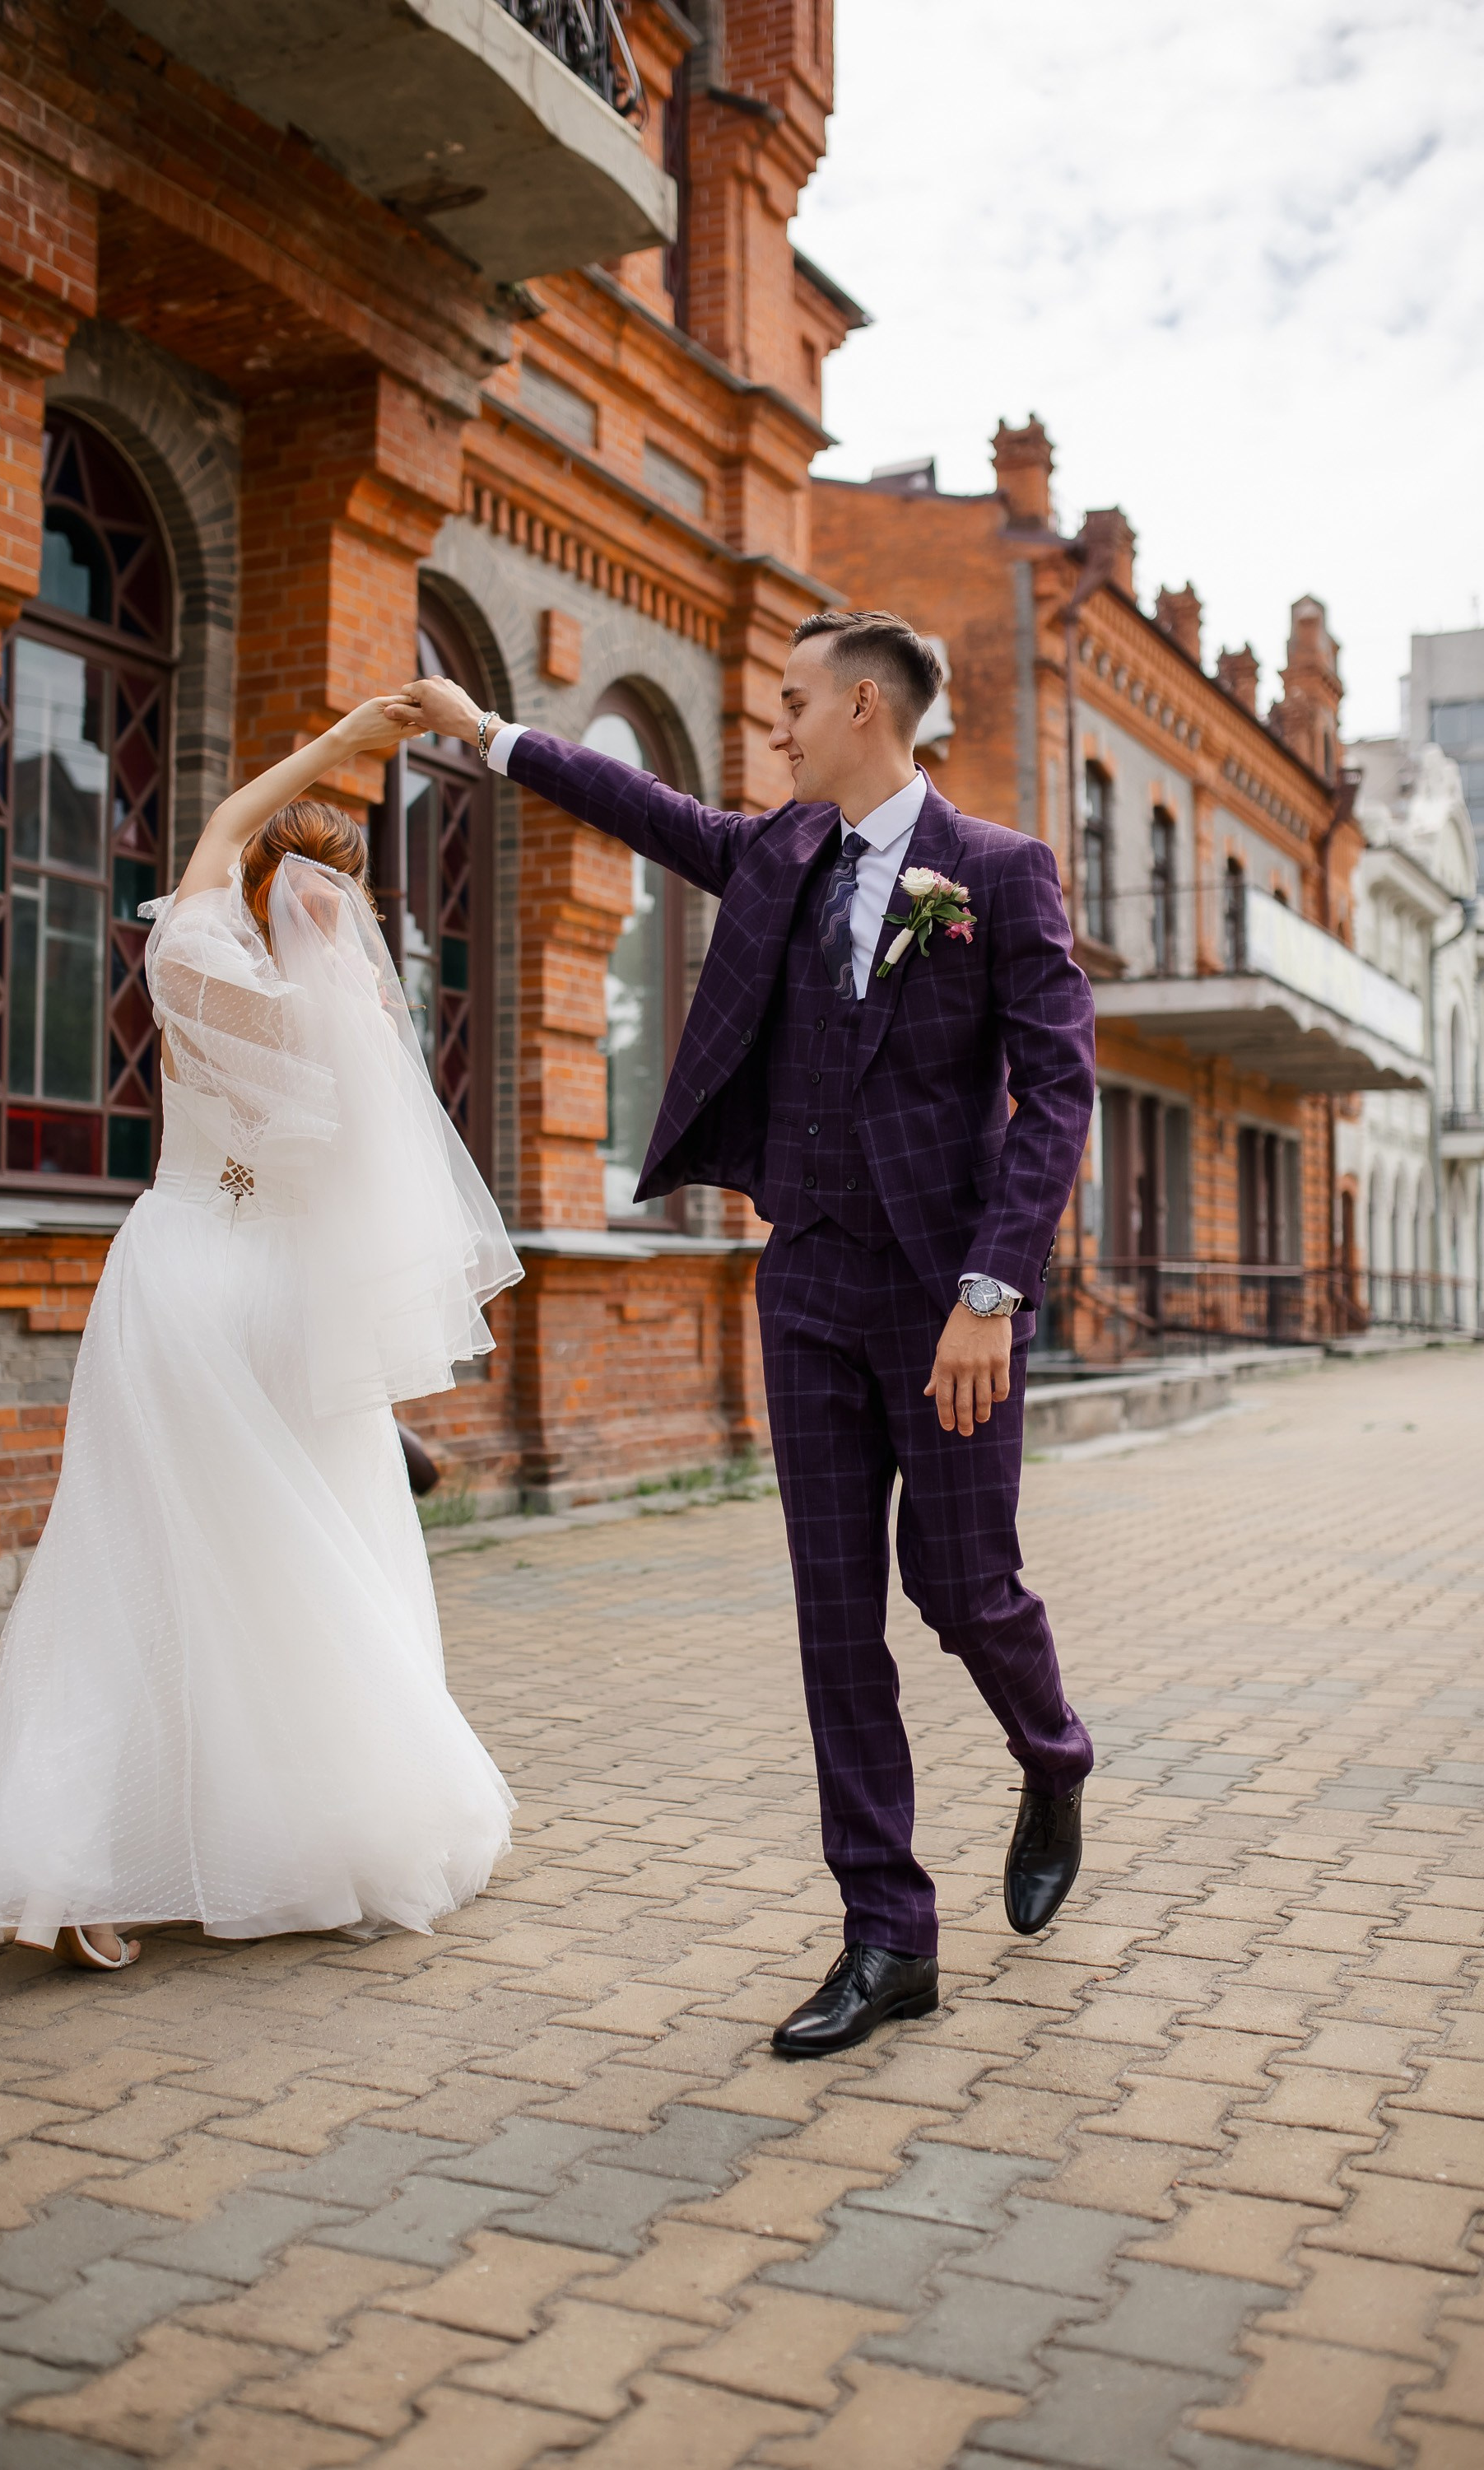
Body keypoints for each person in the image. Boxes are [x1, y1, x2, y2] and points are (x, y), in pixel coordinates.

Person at [391, 615, 1095, 2056]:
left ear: (861, 706)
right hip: (811, 1286)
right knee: (837, 1623)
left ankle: (1054, 1751)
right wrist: (491, 733)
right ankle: (889, 1935)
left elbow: (1060, 1097)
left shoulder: (1005, 876)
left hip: (945, 1300)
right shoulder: (780, 855)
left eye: (789, 706)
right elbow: (648, 810)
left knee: (962, 1590)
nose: (775, 731)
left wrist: (990, 1295)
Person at [0, 699, 521, 1969]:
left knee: (126, 1558)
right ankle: (310, 1833)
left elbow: (220, 821)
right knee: (299, 1559)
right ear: (348, 912)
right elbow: (365, 1219)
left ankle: (83, 1869)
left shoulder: (194, 950)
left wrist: (339, 744)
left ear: (261, 883)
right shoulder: (352, 1031)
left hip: (169, 1276)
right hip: (277, 1305)